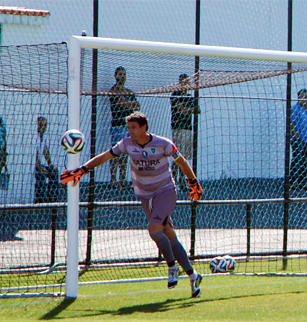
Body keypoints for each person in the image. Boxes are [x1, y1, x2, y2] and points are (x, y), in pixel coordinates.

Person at [61, 111, 204, 298]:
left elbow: (182, 161)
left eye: (134, 128)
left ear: (144, 127)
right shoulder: (127, 143)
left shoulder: (163, 144)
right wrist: (83, 169)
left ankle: (171, 267)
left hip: (165, 191)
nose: (130, 131)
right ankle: (193, 276)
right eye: (129, 128)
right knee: (168, 233)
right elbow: (106, 156)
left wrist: (193, 182)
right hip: (144, 195)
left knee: (154, 229)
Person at [109, 66, 140, 188]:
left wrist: (127, 103)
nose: (122, 76)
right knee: (116, 152)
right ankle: (113, 180)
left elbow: (137, 106)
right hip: (117, 125)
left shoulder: (129, 92)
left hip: (128, 127)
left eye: (124, 74)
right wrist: (128, 104)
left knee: (125, 153)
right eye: (120, 74)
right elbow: (120, 102)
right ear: (116, 76)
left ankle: (122, 179)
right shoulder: (114, 90)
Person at [170, 73, 196, 191]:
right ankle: (173, 181)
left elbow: (196, 110)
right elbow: (181, 110)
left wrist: (188, 109)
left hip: (188, 128)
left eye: (187, 82)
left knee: (185, 156)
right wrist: (188, 109)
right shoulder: (175, 95)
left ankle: (182, 180)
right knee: (177, 156)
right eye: (183, 82)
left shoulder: (190, 96)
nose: (185, 84)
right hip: (178, 128)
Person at [290, 88, 307, 189]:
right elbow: (291, 123)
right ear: (298, 97)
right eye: (302, 96)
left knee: (305, 160)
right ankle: (292, 182)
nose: (304, 98)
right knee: (297, 160)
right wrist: (296, 136)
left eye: (306, 96)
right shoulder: (294, 109)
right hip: (298, 139)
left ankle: (302, 182)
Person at [35, 116, 58, 203]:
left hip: (42, 164)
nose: (43, 128)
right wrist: (40, 166)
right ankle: (40, 200)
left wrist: (50, 163)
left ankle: (53, 199)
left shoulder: (45, 136)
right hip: (36, 165)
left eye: (45, 125)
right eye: (41, 125)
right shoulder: (34, 136)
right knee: (41, 173)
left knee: (54, 171)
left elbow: (45, 150)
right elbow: (36, 153)